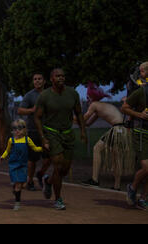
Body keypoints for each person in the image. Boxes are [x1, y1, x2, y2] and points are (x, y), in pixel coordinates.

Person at [34, 68, 87, 210]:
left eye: (63, 76)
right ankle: (58, 199)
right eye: (57, 76)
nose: (61, 78)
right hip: (51, 133)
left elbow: (79, 113)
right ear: (51, 79)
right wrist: (43, 138)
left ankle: (49, 181)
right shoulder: (45, 96)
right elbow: (37, 117)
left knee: (64, 170)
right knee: (57, 164)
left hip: (68, 133)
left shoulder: (73, 94)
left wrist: (83, 131)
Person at [80, 83, 134, 191]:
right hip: (122, 130)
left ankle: (95, 180)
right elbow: (87, 124)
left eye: (88, 97)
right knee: (116, 157)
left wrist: (68, 117)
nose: (87, 99)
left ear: (92, 97)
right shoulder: (100, 106)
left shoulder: (94, 105)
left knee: (97, 148)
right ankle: (117, 186)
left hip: (117, 129)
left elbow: (83, 119)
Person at [0, 119, 43, 210]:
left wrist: (43, 148)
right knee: (18, 184)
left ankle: (16, 189)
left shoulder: (27, 139)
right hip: (13, 165)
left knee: (23, 184)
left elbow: (35, 148)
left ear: (24, 129)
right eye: (15, 128)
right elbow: (7, 150)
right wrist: (2, 157)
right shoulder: (11, 140)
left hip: (23, 165)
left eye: (20, 128)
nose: (17, 130)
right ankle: (17, 203)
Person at [17, 73, 51, 190]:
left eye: (39, 79)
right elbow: (20, 110)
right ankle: (30, 181)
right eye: (35, 79)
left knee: (48, 158)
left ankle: (40, 174)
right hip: (33, 131)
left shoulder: (49, 94)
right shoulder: (30, 95)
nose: (37, 81)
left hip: (47, 131)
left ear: (44, 81)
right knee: (32, 160)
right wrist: (32, 110)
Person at [121, 70, 148, 210]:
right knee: (147, 167)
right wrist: (139, 114)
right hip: (141, 132)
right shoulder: (141, 91)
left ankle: (143, 198)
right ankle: (132, 187)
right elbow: (124, 108)